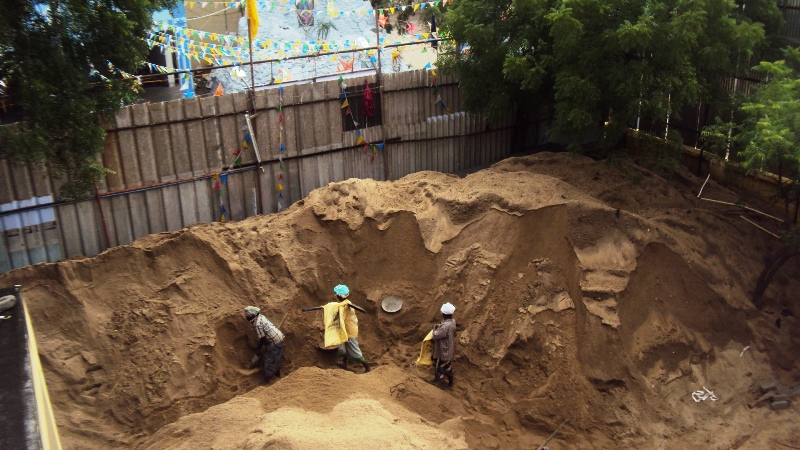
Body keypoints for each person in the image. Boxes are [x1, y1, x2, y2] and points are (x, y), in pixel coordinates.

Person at [333, 284, 371, 373]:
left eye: (336, 294)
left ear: (339, 295)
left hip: (349, 331)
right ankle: (344, 362)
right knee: (344, 347)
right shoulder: (344, 303)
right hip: (345, 330)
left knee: (354, 350)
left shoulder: (345, 305)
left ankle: (367, 368)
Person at [244, 306, 285, 383]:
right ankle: (277, 374)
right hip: (279, 337)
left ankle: (268, 380)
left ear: (252, 315)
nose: (246, 317)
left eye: (248, 316)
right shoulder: (261, 316)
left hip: (274, 341)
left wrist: (259, 349)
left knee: (269, 359)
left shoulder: (257, 324)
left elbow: (262, 339)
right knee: (277, 357)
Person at [432, 302, 456, 387]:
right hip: (448, 348)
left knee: (443, 367)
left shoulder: (445, 326)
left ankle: (449, 382)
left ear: (443, 314)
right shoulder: (452, 322)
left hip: (443, 350)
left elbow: (435, 335)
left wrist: (434, 328)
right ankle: (439, 378)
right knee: (446, 366)